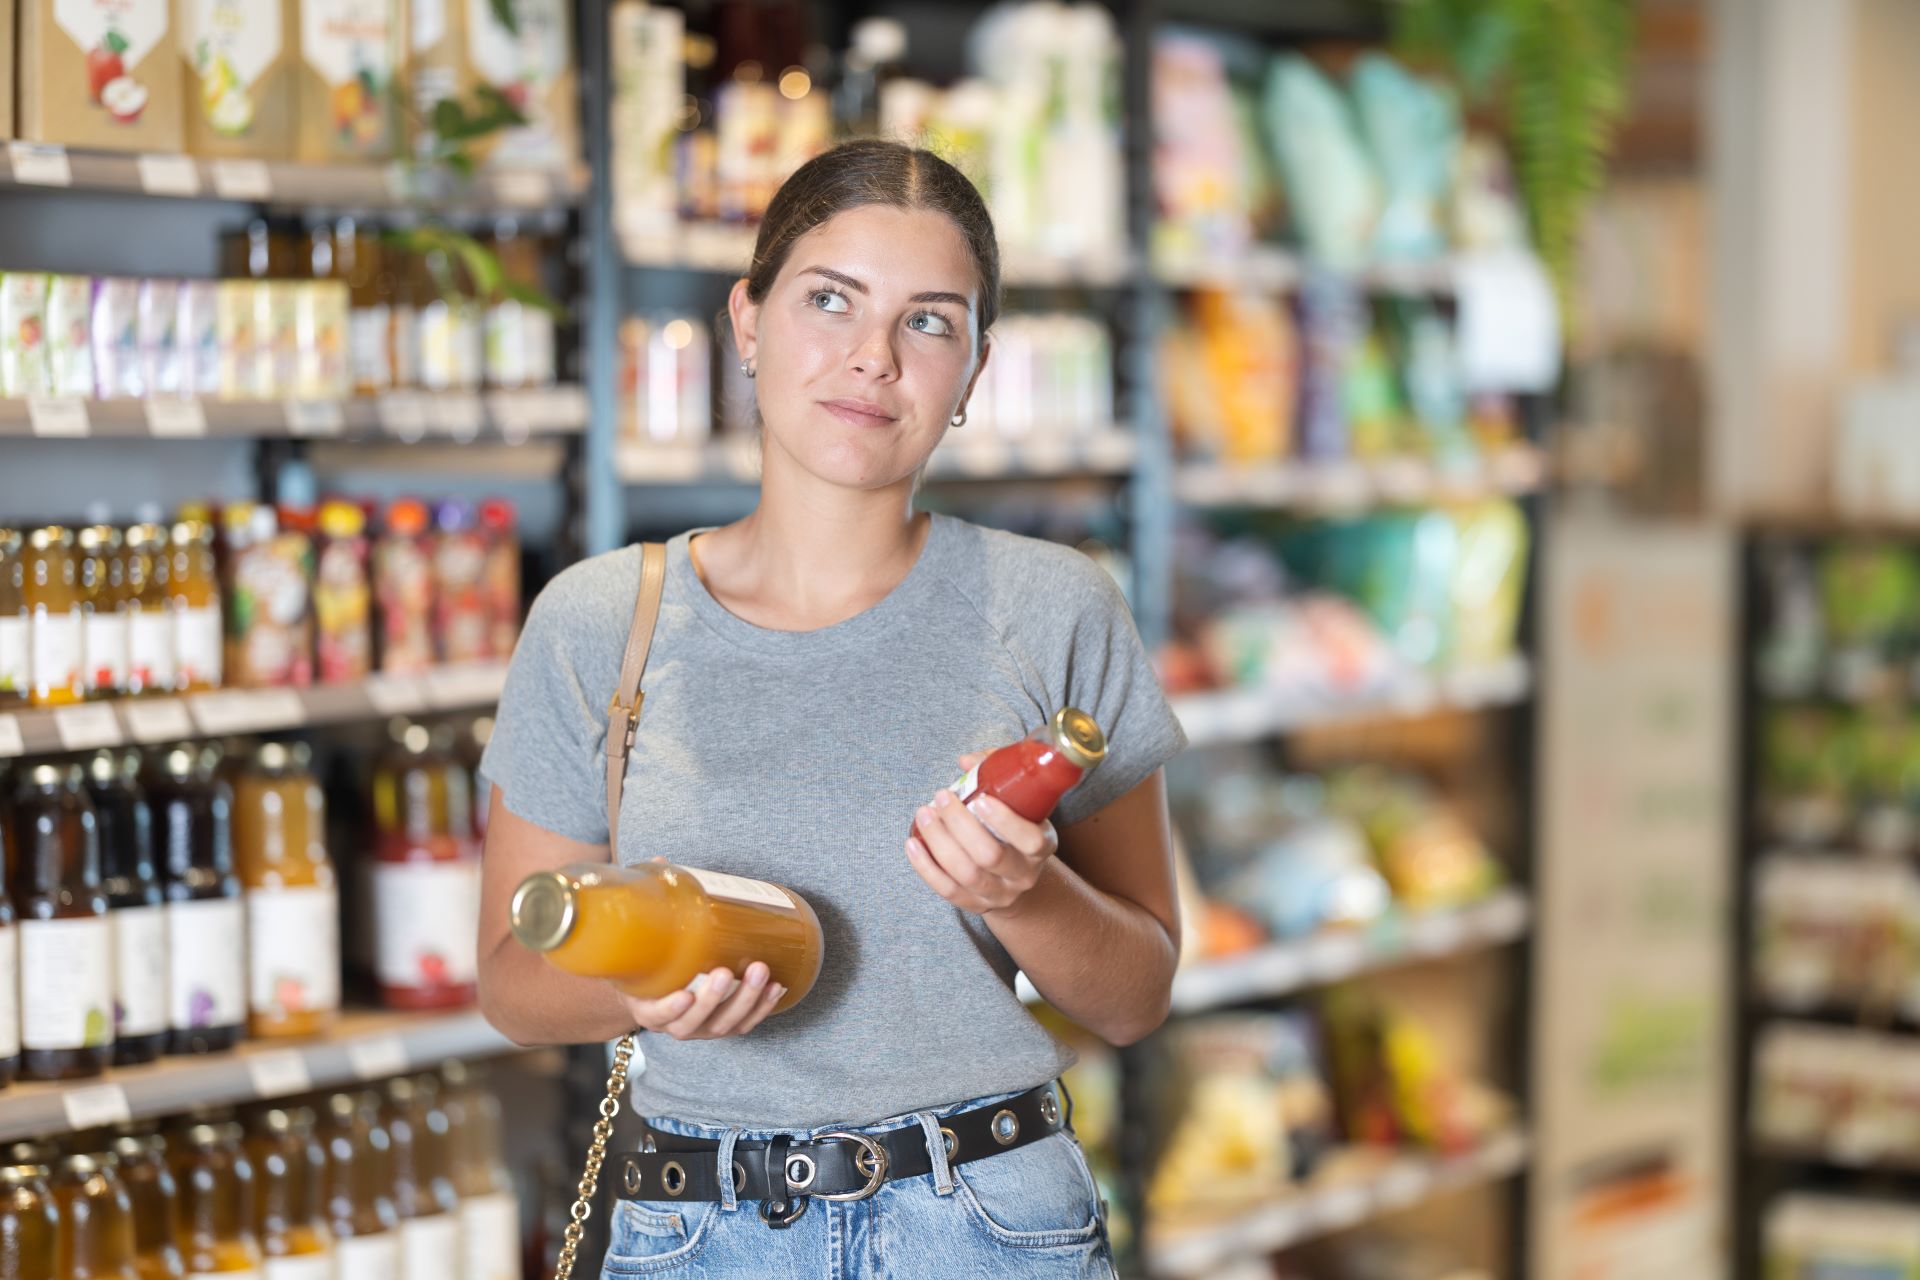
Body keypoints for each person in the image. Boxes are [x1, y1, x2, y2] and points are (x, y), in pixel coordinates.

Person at [477, 138, 1186, 1278]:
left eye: (929, 322)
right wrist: (643, 988)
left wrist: (1027, 889)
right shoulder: (600, 620)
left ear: (973, 371)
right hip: (696, 1228)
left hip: (989, 1224)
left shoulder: (1053, 605)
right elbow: (511, 981)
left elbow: (1138, 992)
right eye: (829, 300)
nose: (872, 358)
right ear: (747, 323)